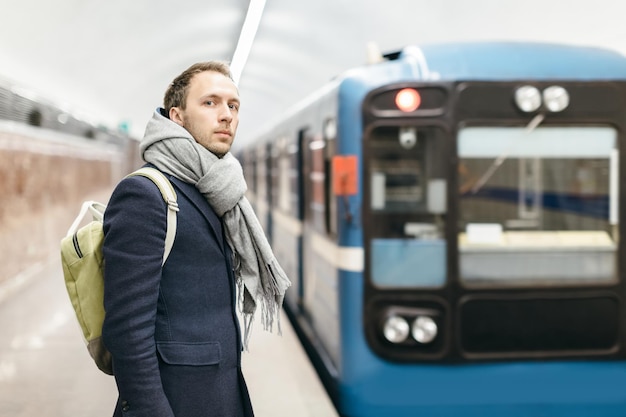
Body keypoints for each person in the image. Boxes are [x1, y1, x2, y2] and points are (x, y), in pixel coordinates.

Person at [102, 61, 290, 417]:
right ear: (177, 116)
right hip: (176, 401)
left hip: (219, 394)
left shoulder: (217, 188)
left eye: (233, 106)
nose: (226, 115)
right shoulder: (145, 193)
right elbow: (127, 329)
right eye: (210, 103)